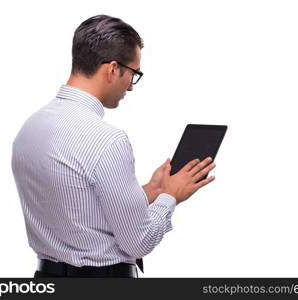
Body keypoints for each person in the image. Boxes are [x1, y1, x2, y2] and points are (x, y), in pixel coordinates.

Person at [11, 14, 216, 278]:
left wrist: (152, 190)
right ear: (112, 69)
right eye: (133, 73)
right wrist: (170, 197)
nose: (130, 86)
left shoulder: (30, 128)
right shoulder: (107, 141)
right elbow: (139, 242)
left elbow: (81, 209)